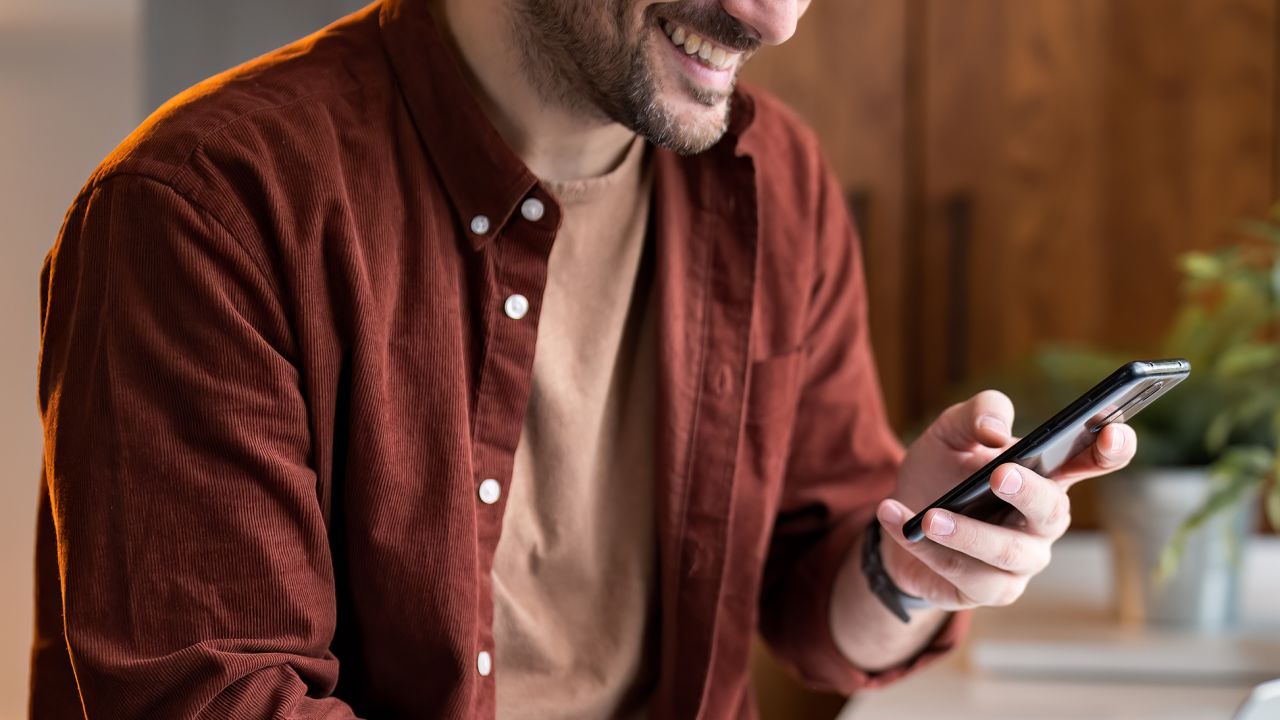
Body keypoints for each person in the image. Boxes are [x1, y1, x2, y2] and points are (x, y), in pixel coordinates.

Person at [30, 0, 1138, 718]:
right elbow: (211, 700)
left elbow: (814, 605)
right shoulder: (205, 210)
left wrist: (908, 558)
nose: (774, 16)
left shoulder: (773, 180)